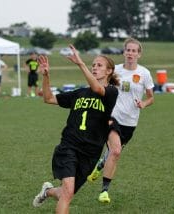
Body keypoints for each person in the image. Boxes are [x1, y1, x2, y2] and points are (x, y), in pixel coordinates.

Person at [32, 45, 119, 213]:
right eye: (93, 64)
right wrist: (46, 76)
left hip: (91, 153)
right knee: (68, 192)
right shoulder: (79, 93)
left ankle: (47, 191)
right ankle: (50, 191)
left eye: (99, 65)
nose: (95, 67)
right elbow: (48, 98)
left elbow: (97, 89)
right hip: (69, 146)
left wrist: (81, 64)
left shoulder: (111, 92)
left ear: (109, 71)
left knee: (65, 193)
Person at [87, 38, 155, 203]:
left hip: (130, 122)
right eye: (128, 50)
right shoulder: (115, 70)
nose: (130, 53)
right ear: (124, 52)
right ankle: (104, 191)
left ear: (139, 54)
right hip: (111, 117)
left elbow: (151, 97)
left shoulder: (144, 73)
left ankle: (99, 166)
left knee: (113, 153)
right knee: (115, 151)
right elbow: (98, 84)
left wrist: (143, 104)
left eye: (134, 51)